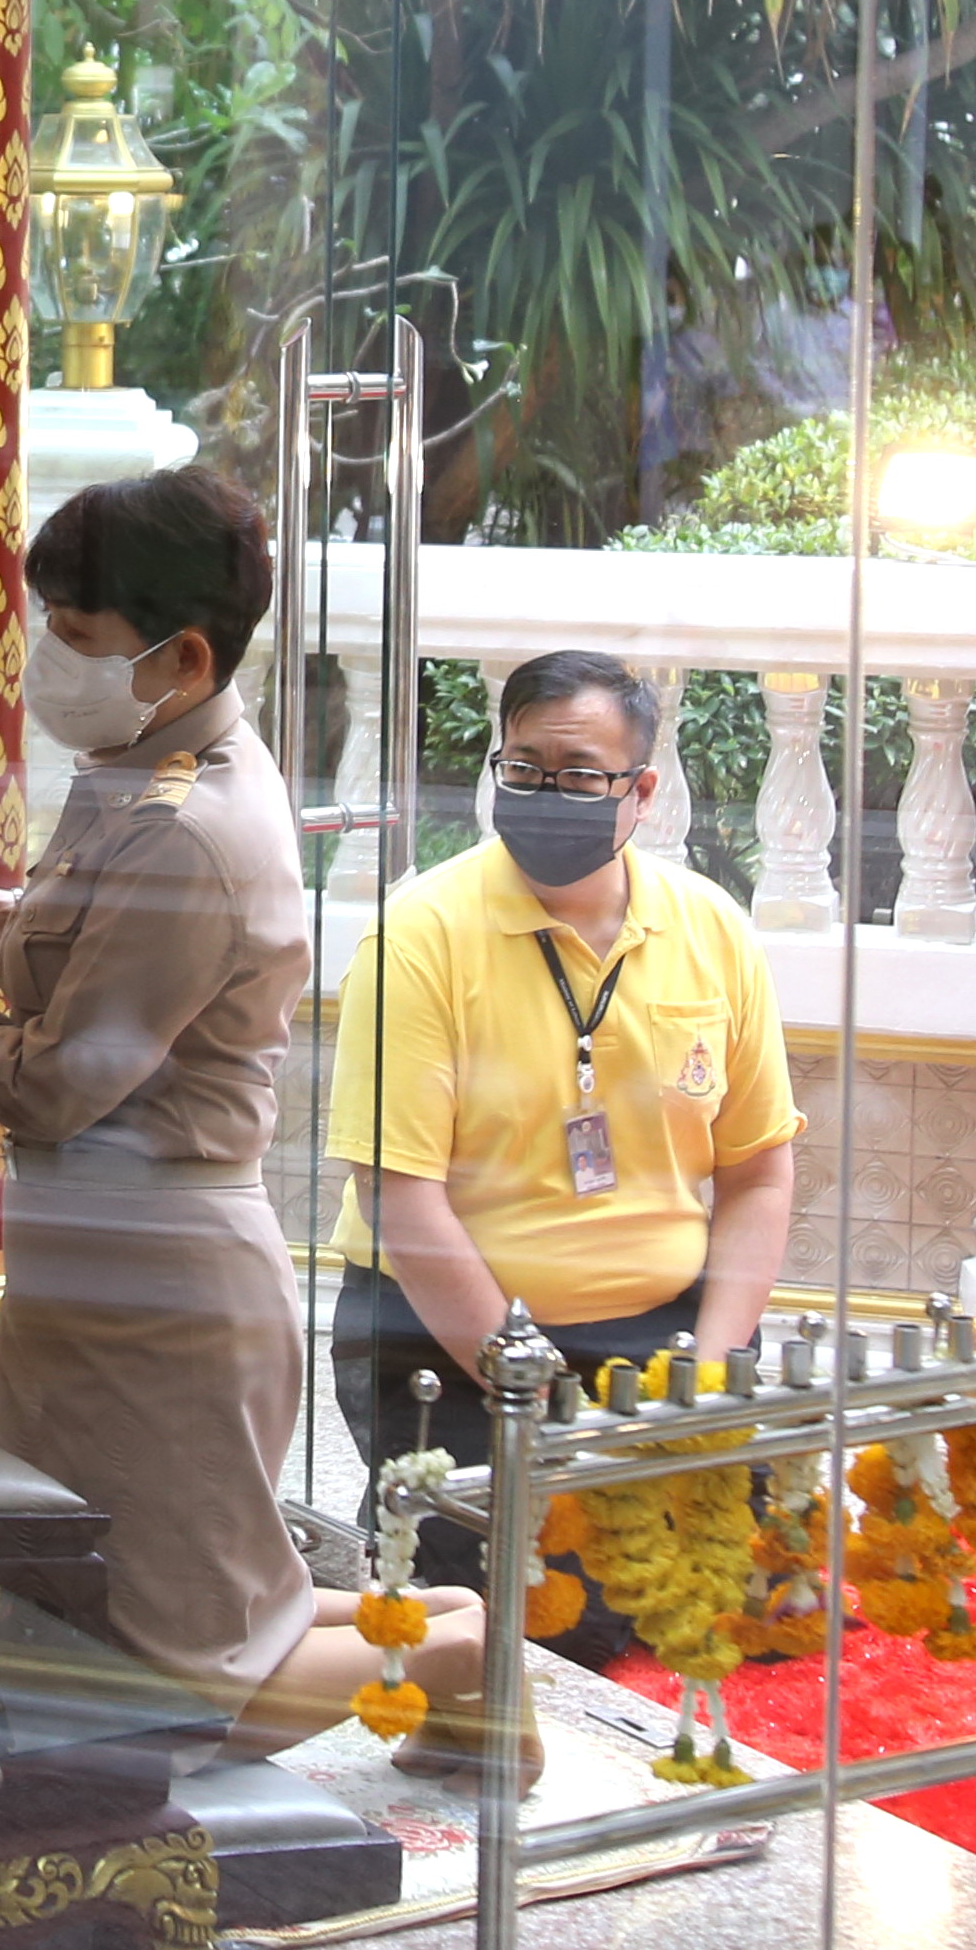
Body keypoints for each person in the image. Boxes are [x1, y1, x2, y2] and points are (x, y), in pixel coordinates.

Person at [0, 466, 493, 1767]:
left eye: (76, 634)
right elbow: (136, 953)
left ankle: (461, 1652)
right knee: (112, 1605)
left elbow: (60, 1081)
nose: (46, 658)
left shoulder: (188, 822)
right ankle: (441, 1626)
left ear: (183, 656)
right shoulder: (149, 761)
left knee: (182, 1685)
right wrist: (13, 918)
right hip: (98, 1264)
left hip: (160, 1288)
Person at [325, 649, 801, 1628]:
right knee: (536, 1626)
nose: (547, 794)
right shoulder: (418, 935)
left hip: (661, 1342)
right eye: (525, 768)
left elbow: (758, 1170)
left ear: (641, 792)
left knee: (733, 1604)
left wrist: (705, 1384)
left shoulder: (711, 929)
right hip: (455, 1346)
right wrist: (532, 1401)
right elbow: (399, 1195)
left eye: (581, 775)